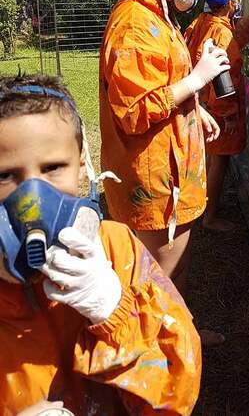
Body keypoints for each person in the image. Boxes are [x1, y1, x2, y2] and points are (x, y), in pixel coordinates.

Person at [0, 74, 201, 416]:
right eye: (5, 175)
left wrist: (115, 310)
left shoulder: (118, 250)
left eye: (52, 168)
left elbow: (178, 390)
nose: (32, 200)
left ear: (82, 167)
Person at [99, 0, 228, 344]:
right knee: (155, 279)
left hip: (174, 172)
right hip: (154, 183)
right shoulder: (134, 25)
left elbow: (164, 81)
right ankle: (153, 359)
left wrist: (194, 110)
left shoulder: (157, 11)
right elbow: (134, 111)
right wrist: (197, 81)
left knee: (178, 266)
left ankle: (179, 334)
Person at [185, 0, 249, 231]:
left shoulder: (201, 22)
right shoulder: (221, 31)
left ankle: (202, 203)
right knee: (220, 161)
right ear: (231, 2)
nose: (238, 5)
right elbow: (227, 78)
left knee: (209, 157)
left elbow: (232, 39)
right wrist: (229, 115)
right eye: (236, 1)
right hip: (216, 108)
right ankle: (209, 216)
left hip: (201, 104)